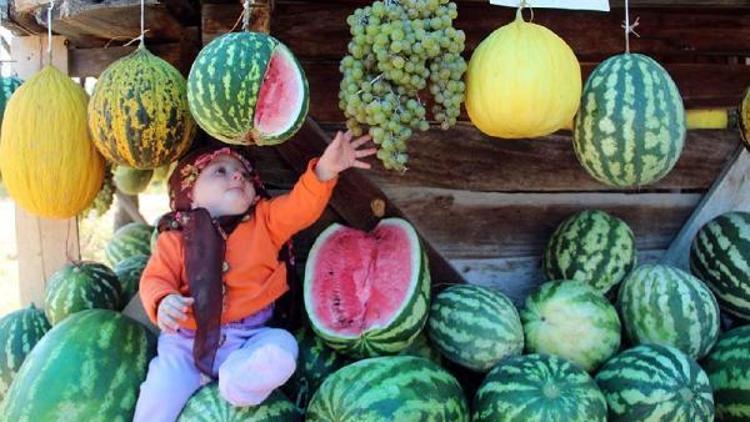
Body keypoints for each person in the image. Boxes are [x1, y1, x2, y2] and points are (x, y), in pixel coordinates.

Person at [133, 130, 374, 421]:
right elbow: (154, 279)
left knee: (282, 346)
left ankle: (238, 384)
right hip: (186, 343)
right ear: (189, 191)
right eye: (220, 171)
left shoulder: (265, 221)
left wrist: (325, 170)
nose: (237, 177)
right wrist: (163, 300)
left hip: (249, 339)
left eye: (245, 175)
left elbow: (300, 207)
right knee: (161, 388)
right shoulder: (174, 239)